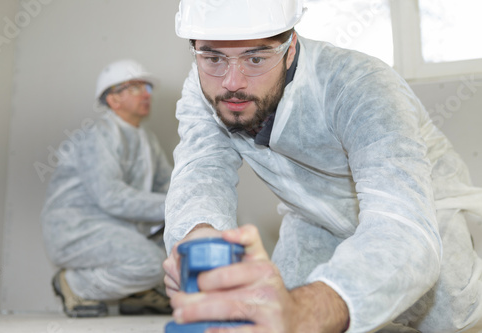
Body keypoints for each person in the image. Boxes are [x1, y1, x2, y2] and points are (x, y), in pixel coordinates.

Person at [162, 0, 482, 332]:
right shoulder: (205, 90)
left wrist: (306, 311)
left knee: (448, 318)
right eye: (213, 57)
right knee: (274, 313)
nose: (231, 82)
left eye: (255, 58)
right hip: (313, 218)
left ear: (290, 49)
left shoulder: (360, 84)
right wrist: (198, 238)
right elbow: (201, 171)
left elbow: (400, 224)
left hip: (419, 210)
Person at [41, 59, 173, 317]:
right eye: (135, 88)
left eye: (147, 87)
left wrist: (189, 207)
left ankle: (135, 296)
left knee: (177, 249)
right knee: (151, 263)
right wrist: (172, 206)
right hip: (78, 230)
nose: (146, 93)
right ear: (113, 99)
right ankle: (74, 285)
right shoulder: (97, 136)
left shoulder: (146, 140)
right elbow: (110, 196)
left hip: (120, 229)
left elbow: (168, 184)